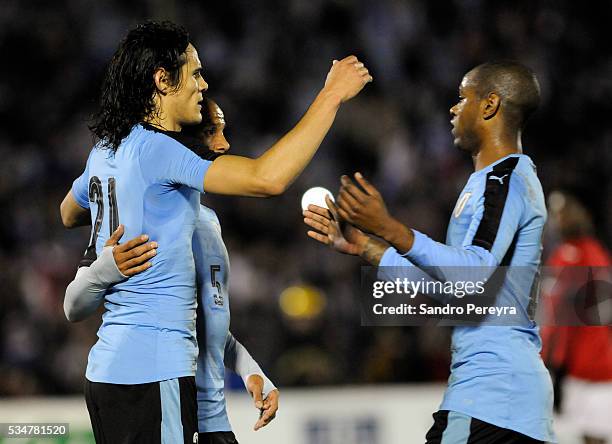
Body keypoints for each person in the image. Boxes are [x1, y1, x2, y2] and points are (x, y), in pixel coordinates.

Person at [59, 20, 371, 443]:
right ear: (162, 80)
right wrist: (331, 96)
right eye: (196, 73)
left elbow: (68, 212)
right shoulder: (159, 150)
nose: (203, 85)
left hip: (109, 373)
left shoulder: (107, 149)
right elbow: (267, 179)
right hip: (154, 371)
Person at [304, 61, 556, 443]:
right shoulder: (493, 183)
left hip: (492, 398)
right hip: (500, 403)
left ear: (489, 105)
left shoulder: (505, 180)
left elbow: (475, 274)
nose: (454, 108)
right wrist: (369, 247)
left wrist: (390, 228)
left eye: (462, 98)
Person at [64, 97, 278, 443]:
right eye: (212, 131)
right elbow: (72, 304)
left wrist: (250, 371)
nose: (224, 144)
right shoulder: (142, 219)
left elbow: (206, 324)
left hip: (208, 418)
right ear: (183, 144)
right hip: (156, 391)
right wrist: (104, 268)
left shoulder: (208, 223)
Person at [540, 191, 612, 444]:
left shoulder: (584, 253)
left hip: (592, 365)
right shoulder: (568, 254)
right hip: (575, 365)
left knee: (593, 435)